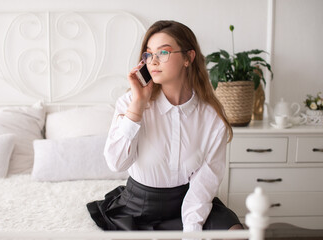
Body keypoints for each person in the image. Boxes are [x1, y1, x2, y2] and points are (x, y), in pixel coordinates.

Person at [87, 20, 242, 233]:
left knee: (236, 233)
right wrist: (138, 106)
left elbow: (205, 183)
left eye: (163, 53)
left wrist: (192, 231)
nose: (153, 61)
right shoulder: (130, 103)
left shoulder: (211, 116)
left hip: (190, 202)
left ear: (188, 58)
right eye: (148, 54)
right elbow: (116, 163)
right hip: (137, 208)